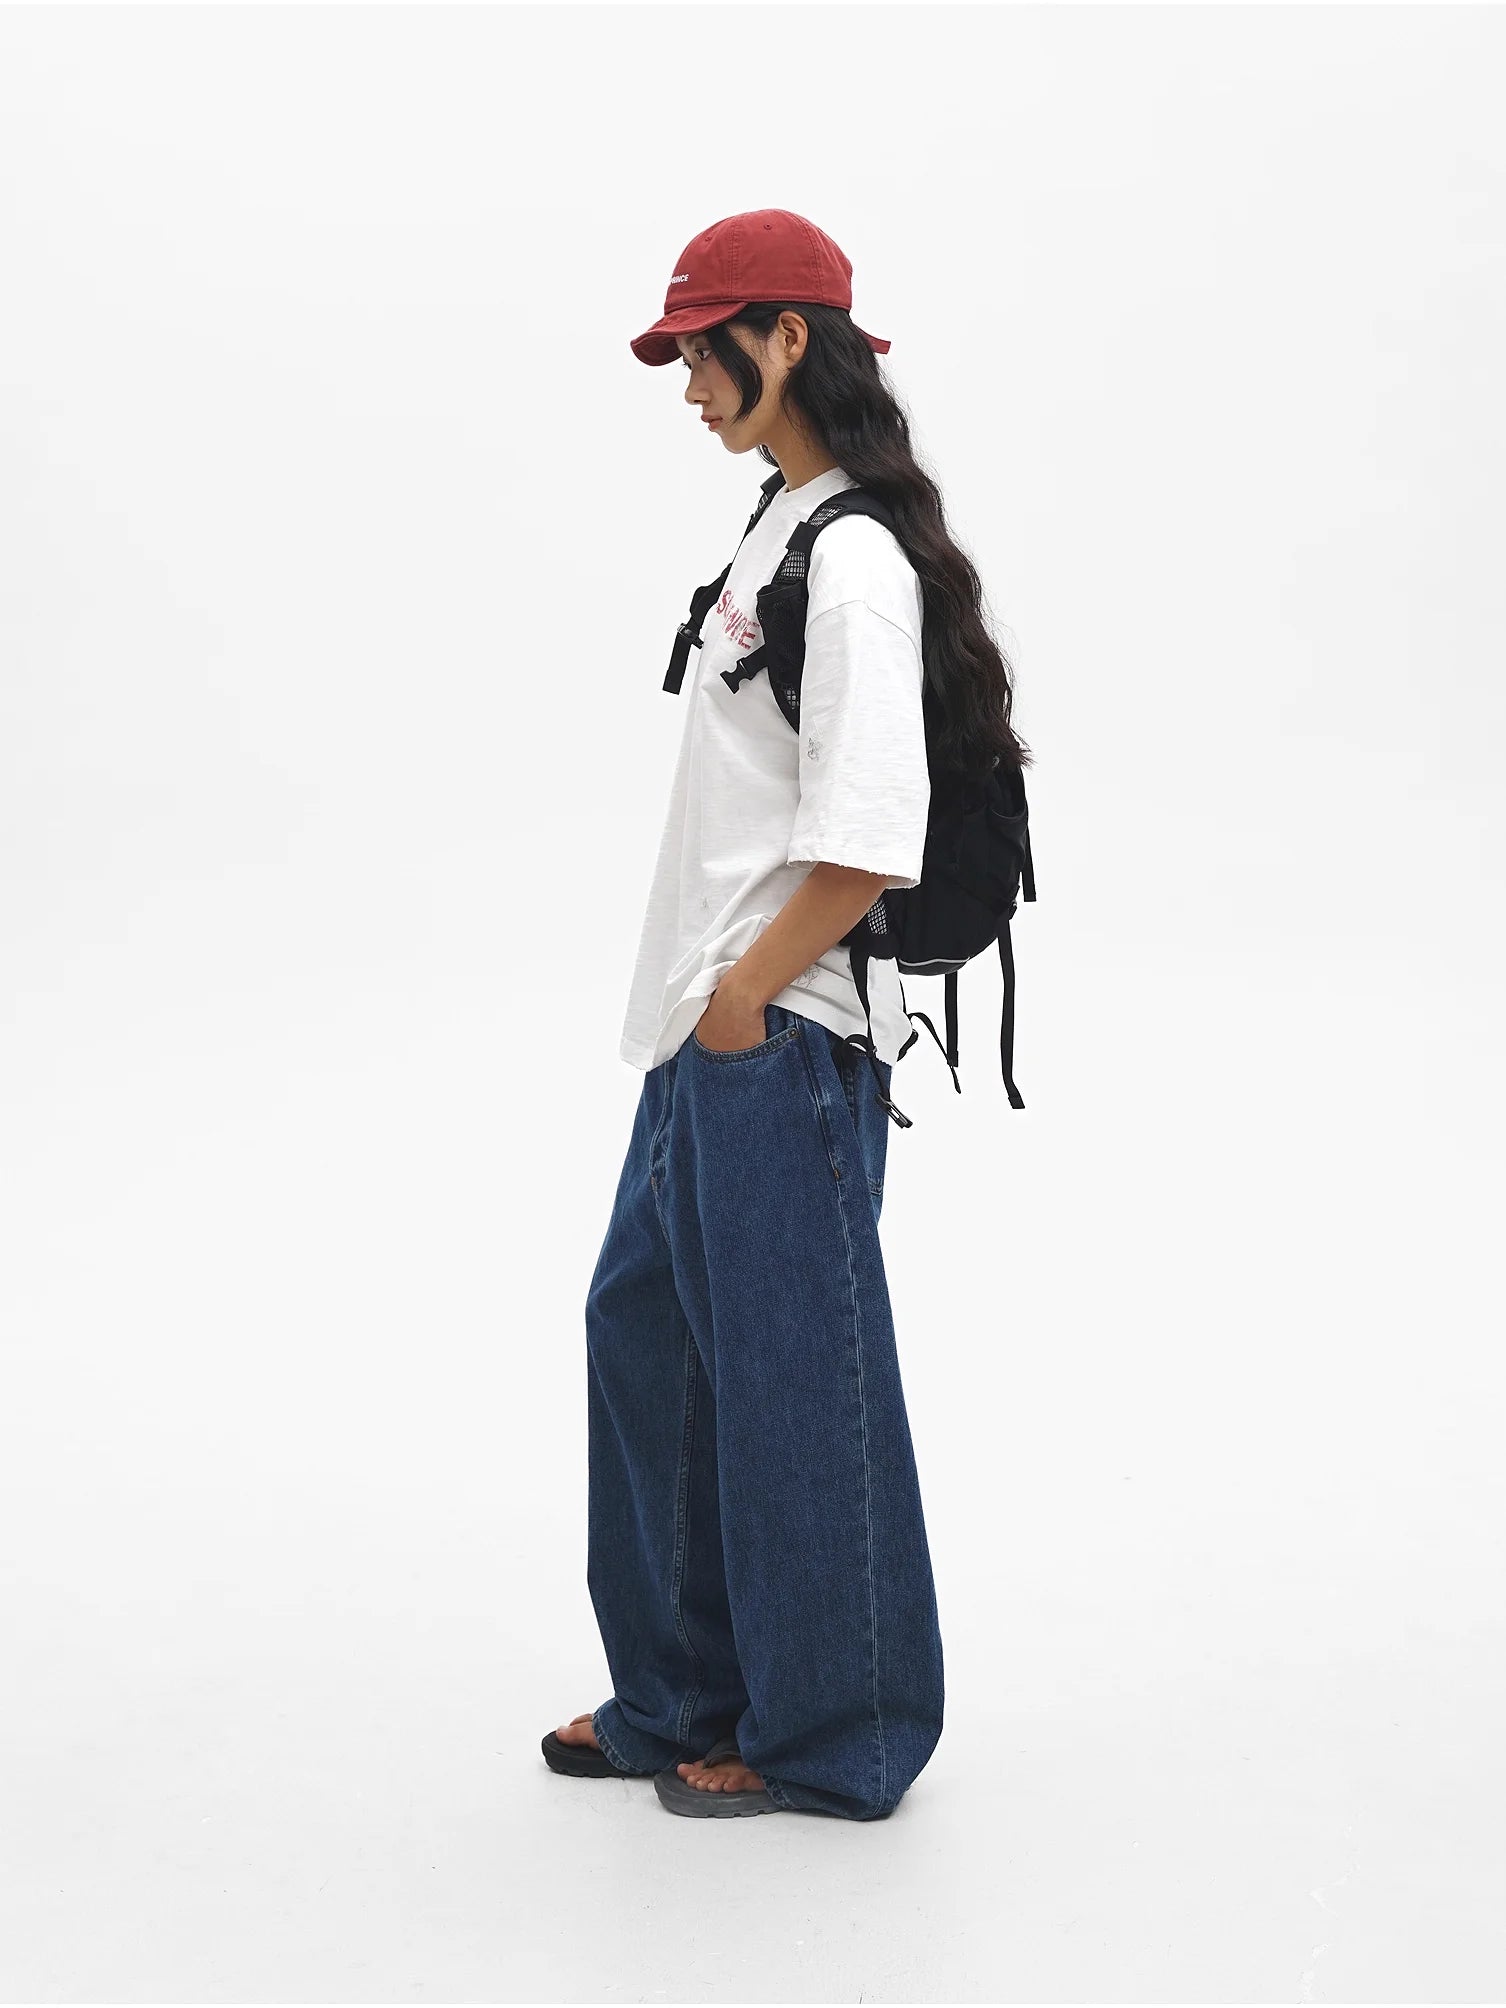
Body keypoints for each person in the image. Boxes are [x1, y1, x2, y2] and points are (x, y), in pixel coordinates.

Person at [542, 209, 1029, 1821]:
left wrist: (749, 1001)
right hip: (705, 1027)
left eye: (701, 350)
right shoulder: (778, 525)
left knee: (792, 1381)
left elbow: (870, 834)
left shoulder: (857, 561)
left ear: (788, 337)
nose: (687, 384)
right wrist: (708, 1011)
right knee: (650, 1343)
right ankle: (678, 1694)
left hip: (782, 1029)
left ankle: (837, 1732)